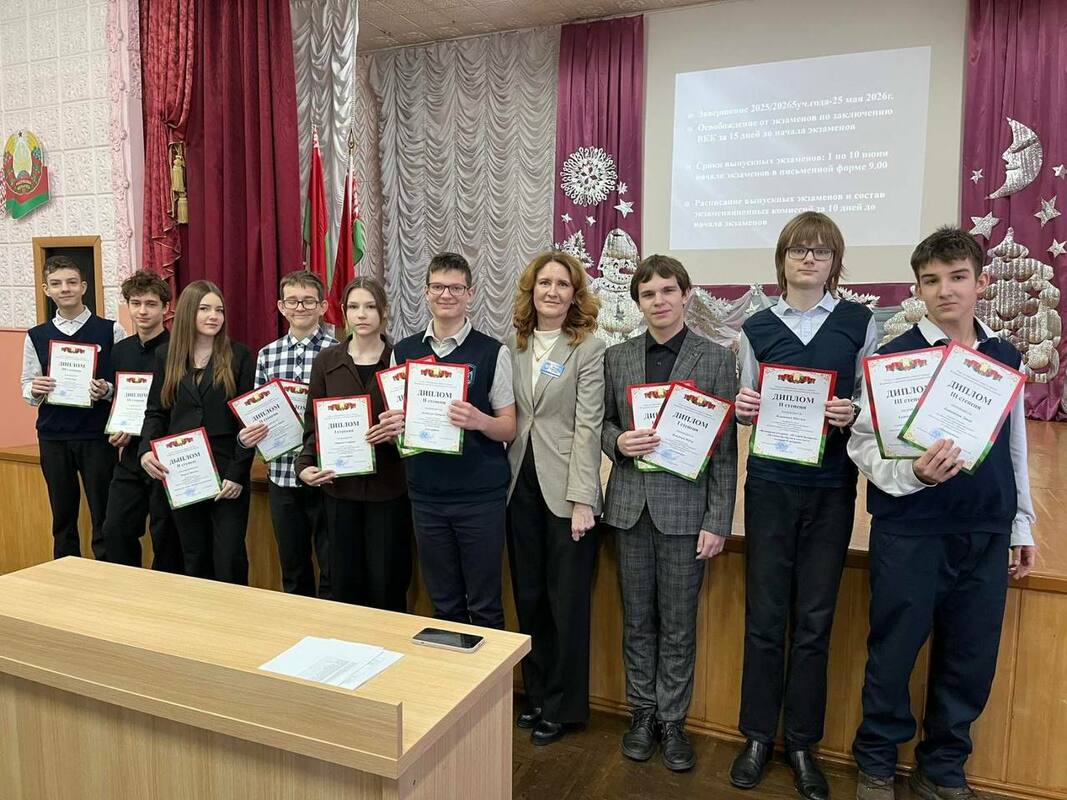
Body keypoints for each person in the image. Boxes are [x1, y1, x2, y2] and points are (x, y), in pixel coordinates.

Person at [847, 227, 1037, 800]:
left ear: (982, 282)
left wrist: (1020, 522)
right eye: (931, 280)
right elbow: (863, 443)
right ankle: (876, 763)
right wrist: (914, 475)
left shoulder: (1004, 357)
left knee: (970, 658)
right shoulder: (892, 359)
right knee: (894, 652)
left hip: (984, 528)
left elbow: (1015, 446)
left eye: (958, 277)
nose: (945, 290)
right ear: (918, 290)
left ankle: (943, 768)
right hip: (911, 531)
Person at [729, 212, 877, 800]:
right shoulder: (756, 328)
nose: (809, 259)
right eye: (798, 250)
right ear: (783, 259)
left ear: (834, 261)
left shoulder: (859, 324)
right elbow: (746, 399)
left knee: (815, 620)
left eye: (820, 251)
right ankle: (757, 736)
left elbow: (871, 404)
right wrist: (743, 409)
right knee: (765, 616)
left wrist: (853, 412)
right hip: (769, 483)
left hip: (831, 487)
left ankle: (802, 743)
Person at [601, 254, 738, 772]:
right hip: (630, 511)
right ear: (638, 302)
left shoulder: (715, 359)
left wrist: (718, 520)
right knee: (637, 621)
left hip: (686, 516)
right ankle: (642, 713)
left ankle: (672, 721)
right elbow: (601, 423)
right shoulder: (617, 357)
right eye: (648, 294)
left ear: (685, 295)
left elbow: (725, 451)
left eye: (667, 291)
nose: (658, 301)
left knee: (679, 624)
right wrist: (618, 441)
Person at [385, 252, 516, 629]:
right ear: (426, 292)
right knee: (444, 604)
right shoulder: (404, 351)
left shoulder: (493, 352)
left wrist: (479, 420)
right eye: (439, 287)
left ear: (470, 294)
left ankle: (490, 672)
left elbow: (508, 427)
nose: (447, 295)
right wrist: (393, 425)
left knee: (485, 605)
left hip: (479, 497)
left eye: (456, 288)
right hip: (426, 495)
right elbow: (398, 427)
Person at [506, 251, 605, 746]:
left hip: (567, 488)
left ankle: (565, 707)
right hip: (517, 482)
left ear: (574, 293)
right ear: (532, 290)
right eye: (544, 282)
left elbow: (589, 426)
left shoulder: (588, 348)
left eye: (562, 284)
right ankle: (539, 694)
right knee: (529, 596)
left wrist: (584, 498)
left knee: (566, 602)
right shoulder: (513, 344)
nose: (552, 291)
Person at [295, 276, 412, 611]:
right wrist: (304, 466)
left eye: (370, 306)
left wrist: (397, 433)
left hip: (389, 491)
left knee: (388, 584)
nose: (362, 314)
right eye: (354, 307)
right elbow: (313, 425)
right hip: (339, 491)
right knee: (343, 586)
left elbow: (417, 427)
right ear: (344, 312)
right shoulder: (327, 361)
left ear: (384, 312)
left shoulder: (401, 361)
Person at [139, 280, 255, 584]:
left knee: (229, 557)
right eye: (205, 309)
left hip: (227, 473)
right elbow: (156, 412)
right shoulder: (166, 356)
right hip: (182, 472)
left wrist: (237, 473)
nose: (214, 316)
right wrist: (146, 451)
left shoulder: (240, 355)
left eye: (219, 310)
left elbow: (248, 423)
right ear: (189, 312)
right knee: (194, 555)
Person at [21, 255, 127, 560]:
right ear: (46, 290)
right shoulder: (36, 336)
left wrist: (107, 390)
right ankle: (65, 575)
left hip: (97, 436)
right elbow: (26, 386)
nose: (64, 288)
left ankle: (107, 574)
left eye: (71, 282)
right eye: (56, 284)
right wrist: (35, 389)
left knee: (104, 515)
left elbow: (125, 386)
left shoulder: (111, 330)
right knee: (62, 517)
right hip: (53, 437)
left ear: (83, 286)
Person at [239, 270, 337, 598]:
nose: (300, 307)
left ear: (323, 306)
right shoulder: (267, 355)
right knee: (292, 565)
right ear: (281, 306)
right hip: (281, 475)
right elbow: (256, 409)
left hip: (325, 474)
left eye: (308, 301)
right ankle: (299, 624)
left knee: (332, 564)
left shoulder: (338, 351)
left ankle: (330, 623)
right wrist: (252, 431)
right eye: (292, 301)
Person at [101, 271, 183, 572]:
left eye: (150, 304)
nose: (142, 311)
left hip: (165, 456)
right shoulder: (121, 350)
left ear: (166, 308)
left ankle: (164, 595)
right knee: (115, 530)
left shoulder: (178, 350)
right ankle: (127, 590)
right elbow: (120, 400)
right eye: (135, 304)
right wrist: (117, 428)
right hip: (130, 456)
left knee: (165, 537)